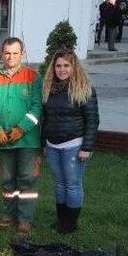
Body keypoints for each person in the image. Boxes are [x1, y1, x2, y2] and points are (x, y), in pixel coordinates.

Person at [0, 37, 42, 235]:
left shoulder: (33, 77)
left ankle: (25, 218)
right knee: (7, 181)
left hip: (27, 140)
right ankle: (8, 213)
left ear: (22, 54)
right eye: (7, 53)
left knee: (27, 180)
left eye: (15, 53)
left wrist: (21, 129)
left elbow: (36, 108)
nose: (11, 57)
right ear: (2, 54)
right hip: (2, 139)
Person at [42, 49, 99, 234]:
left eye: (66, 65)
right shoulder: (49, 88)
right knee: (59, 184)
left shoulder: (85, 88)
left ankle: (70, 225)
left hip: (74, 145)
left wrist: (87, 147)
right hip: (53, 145)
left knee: (72, 184)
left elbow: (93, 120)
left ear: (74, 67)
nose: (62, 69)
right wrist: (44, 143)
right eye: (58, 65)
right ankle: (61, 221)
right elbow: (46, 118)